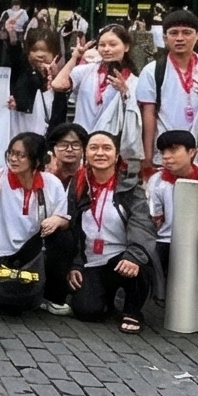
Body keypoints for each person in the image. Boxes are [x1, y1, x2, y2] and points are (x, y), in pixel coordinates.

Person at [0, 131, 73, 314]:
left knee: (64, 239)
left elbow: (65, 222)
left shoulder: (52, 184)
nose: (13, 159)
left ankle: (51, 295)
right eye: (11, 153)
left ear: (37, 160)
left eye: (21, 155)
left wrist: (58, 220)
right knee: (5, 305)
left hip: (32, 254)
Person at [66, 129, 154, 333]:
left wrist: (134, 255)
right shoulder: (79, 185)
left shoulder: (130, 186)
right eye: (94, 148)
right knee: (86, 311)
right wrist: (76, 264)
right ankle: (106, 300)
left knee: (141, 264)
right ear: (85, 154)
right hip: (93, 260)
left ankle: (133, 310)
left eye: (107, 148)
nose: (100, 153)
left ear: (116, 156)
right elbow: (72, 227)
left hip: (121, 257)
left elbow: (142, 223)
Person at [137, 10, 198, 167]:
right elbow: (148, 114)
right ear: (164, 38)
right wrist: (148, 158)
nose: (180, 38)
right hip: (167, 150)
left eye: (187, 33)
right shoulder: (153, 70)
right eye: (173, 33)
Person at [51, 23, 143, 165]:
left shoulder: (134, 82)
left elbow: (134, 121)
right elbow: (57, 85)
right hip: (82, 143)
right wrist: (75, 57)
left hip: (108, 148)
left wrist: (125, 93)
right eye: (102, 45)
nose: (106, 49)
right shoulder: (86, 71)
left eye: (113, 44)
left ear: (126, 47)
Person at [144, 129, 198, 283]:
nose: (166, 157)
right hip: (165, 240)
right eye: (163, 152)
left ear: (192, 152)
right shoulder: (156, 181)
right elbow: (153, 217)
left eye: (173, 150)